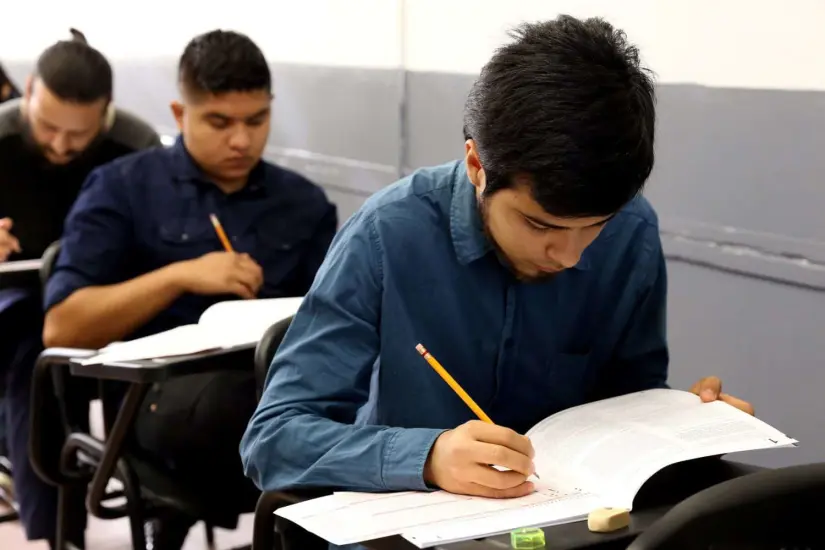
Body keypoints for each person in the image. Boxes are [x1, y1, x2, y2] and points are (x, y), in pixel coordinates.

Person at [240, 14, 755, 515]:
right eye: (541, 226)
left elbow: (627, 406)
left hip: (566, 523)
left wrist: (682, 426)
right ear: (476, 165)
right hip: (415, 527)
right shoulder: (388, 233)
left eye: (594, 227)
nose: (570, 255)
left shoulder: (632, 231)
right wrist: (427, 457)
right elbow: (273, 439)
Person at [43, 29, 337, 549]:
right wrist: (178, 276)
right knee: (266, 409)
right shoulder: (123, 188)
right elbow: (62, 324)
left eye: (256, 120)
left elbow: (332, 321)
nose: (241, 140)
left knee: (341, 401)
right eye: (219, 123)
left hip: (276, 395)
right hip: (149, 408)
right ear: (180, 115)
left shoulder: (304, 204)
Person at [0, 29, 160, 549]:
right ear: (27, 91)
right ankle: (52, 532)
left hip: (109, 298)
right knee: (32, 364)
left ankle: (154, 507)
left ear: (107, 111)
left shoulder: (136, 145)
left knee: (143, 371)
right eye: (47, 127)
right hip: (19, 302)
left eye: (79, 134)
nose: (61, 145)